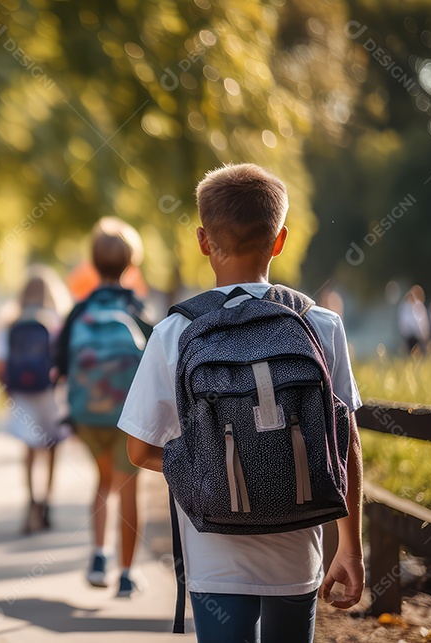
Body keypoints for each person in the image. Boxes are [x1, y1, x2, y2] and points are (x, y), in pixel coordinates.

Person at [121, 163, 364, 642]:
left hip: (215, 556)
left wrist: (206, 474)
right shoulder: (322, 325)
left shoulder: (174, 332)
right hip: (298, 549)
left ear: (203, 241)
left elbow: (137, 450)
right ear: (280, 240)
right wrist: (350, 547)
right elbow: (346, 443)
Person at [56, 217, 151, 596]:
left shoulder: (80, 310)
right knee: (129, 489)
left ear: (94, 263)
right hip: (128, 416)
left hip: (88, 413)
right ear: (131, 263)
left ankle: (98, 555)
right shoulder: (138, 310)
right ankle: (127, 576)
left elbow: (61, 362)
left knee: (102, 480)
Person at [0, 267, 72, 534]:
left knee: (28, 447)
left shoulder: (11, 322)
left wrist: (8, 390)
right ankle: (47, 501)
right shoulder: (57, 321)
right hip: (50, 393)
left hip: (22, 394)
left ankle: (30, 500)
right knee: (52, 446)